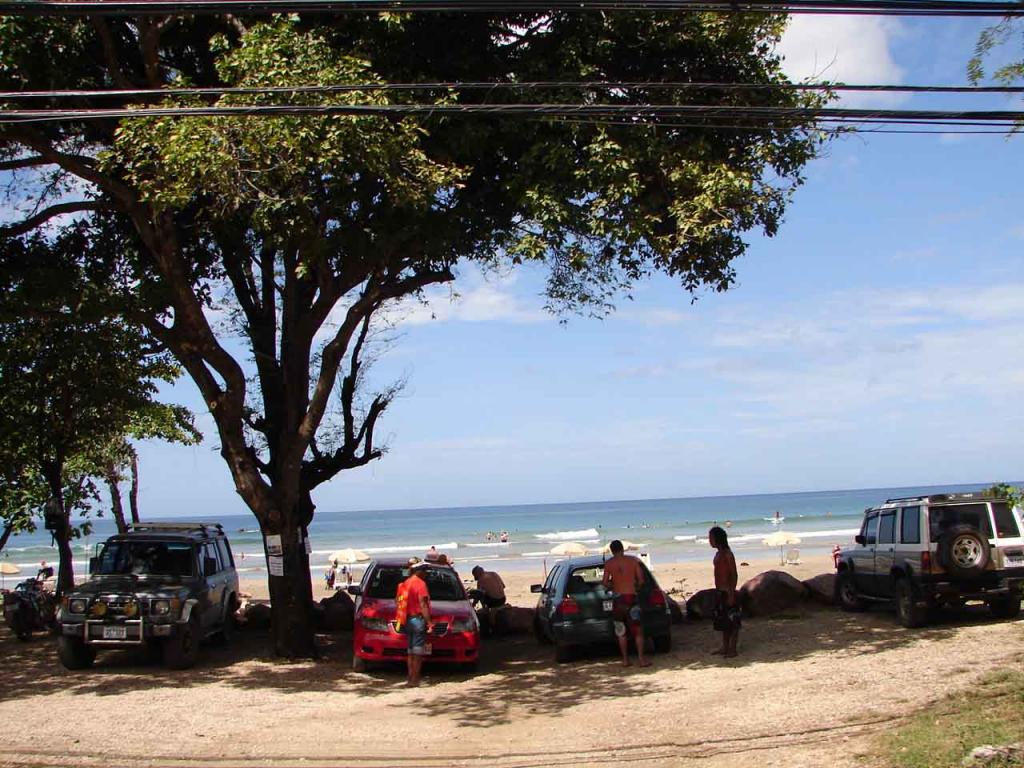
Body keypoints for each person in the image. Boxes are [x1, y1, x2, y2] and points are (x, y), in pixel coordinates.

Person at [601, 539, 650, 667]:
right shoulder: (633, 561)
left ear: (611, 551)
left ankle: (625, 660)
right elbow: (641, 580)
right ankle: (641, 659)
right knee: (638, 630)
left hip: (618, 599)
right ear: (623, 548)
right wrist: (634, 587)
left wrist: (614, 585)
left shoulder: (609, 563)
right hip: (632, 598)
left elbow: (605, 583)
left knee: (621, 631)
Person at [395, 559, 433, 687]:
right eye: (425, 571)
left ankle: (410, 678)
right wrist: (429, 623)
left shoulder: (406, 583)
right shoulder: (421, 584)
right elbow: (423, 604)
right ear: (420, 571)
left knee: (410, 652)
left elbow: (398, 601)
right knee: (417, 653)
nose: (426, 573)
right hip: (418, 620)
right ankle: (415, 680)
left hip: (407, 620)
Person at [709, 526, 740, 658]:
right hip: (720, 591)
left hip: (728, 591)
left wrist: (732, 594)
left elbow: (734, 574)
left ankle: (732, 649)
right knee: (723, 621)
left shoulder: (728, 554)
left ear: (717, 539)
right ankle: (725, 647)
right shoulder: (718, 554)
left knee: (733, 622)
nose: (709, 541)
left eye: (711, 538)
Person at [470, 565, 507, 633]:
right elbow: (503, 586)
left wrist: (473, 605)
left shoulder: (481, 580)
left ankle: (485, 610)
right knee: (484, 592)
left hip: (495, 602)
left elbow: (478, 596)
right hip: (503, 598)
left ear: (477, 574)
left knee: (481, 594)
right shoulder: (493, 573)